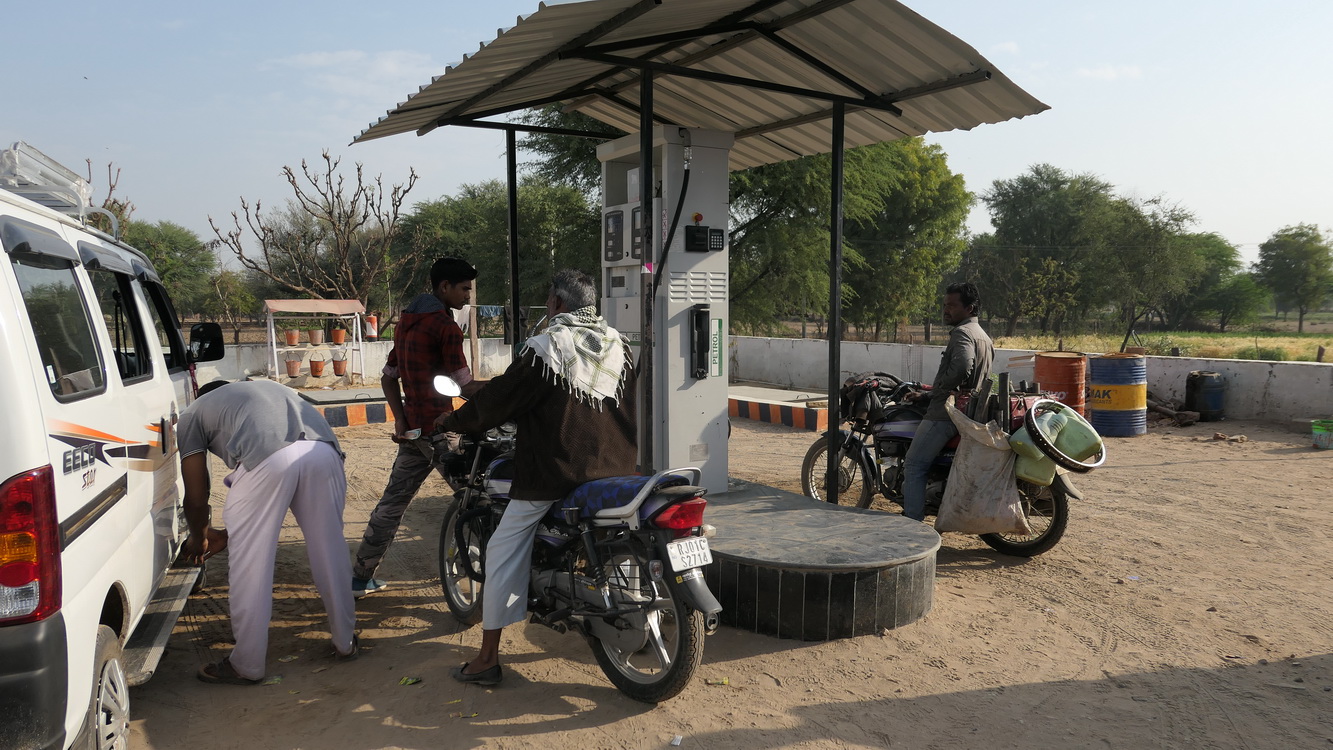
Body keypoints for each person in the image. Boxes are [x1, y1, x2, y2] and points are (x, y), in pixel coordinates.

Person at [440, 268, 637, 686]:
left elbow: (502, 399)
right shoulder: (620, 347)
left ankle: (488, 658)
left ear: (558, 304)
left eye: (549, 301)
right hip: (618, 469)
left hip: (559, 473)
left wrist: (454, 421)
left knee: (502, 549)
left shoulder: (547, 348)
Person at [178, 379, 357, 685]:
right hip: (324, 452)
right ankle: (345, 642)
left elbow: (196, 494)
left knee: (252, 563)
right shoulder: (267, 388)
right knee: (330, 549)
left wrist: (199, 536)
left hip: (268, 458)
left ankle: (246, 665)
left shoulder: (193, 412)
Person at [352, 257, 485, 597]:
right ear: (445, 287)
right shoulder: (445, 328)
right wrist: (508, 389)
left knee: (392, 504)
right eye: (464, 289)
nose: (468, 296)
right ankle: (491, 574)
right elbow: (466, 387)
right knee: (476, 503)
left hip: (412, 432)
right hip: (440, 433)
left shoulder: (407, 323)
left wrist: (400, 418)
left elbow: (387, 377)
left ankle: (361, 575)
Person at [900, 282, 994, 522]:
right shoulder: (983, 336)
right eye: (945, 305)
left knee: (913, 464)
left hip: (946, 413)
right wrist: (927, 393)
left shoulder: (962, 333)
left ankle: (912, 522)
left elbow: (963, 366)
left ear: (970, 308)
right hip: (970, 411)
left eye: (952, 306)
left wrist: (940, 390)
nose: (946, 310)